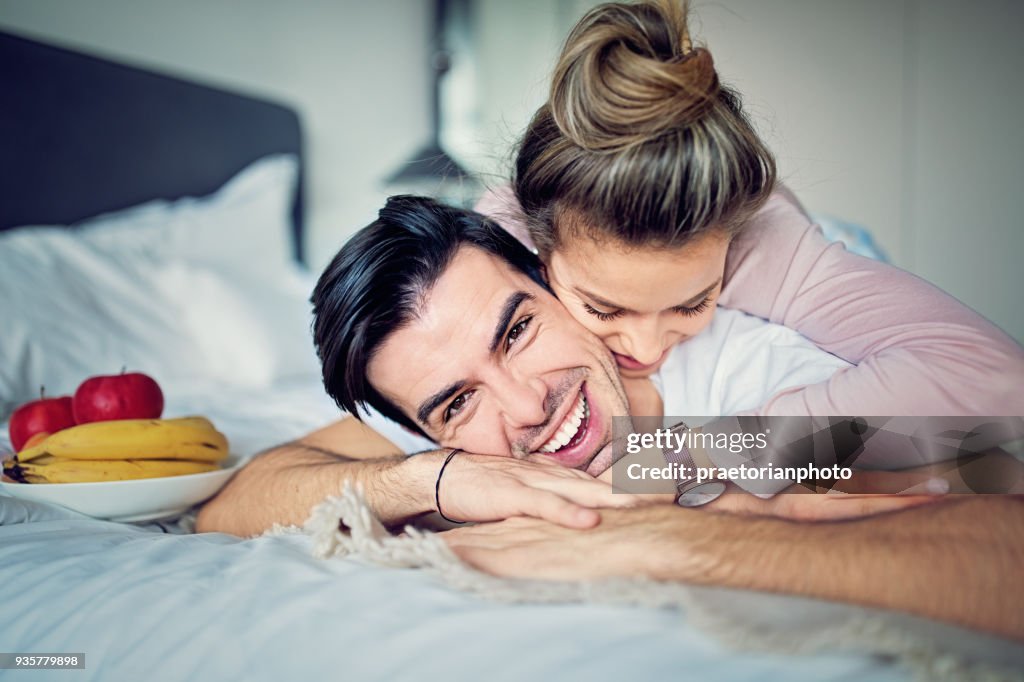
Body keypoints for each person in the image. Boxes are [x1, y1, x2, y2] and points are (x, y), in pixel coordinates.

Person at [476, 0, 1024, 419]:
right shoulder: (499, 236)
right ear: (537, 244)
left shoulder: (770, 246)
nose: (645, 349)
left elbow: (998, 378)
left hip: (838, 244)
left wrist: (702, 453)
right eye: (606, 309)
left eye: (693, 304)